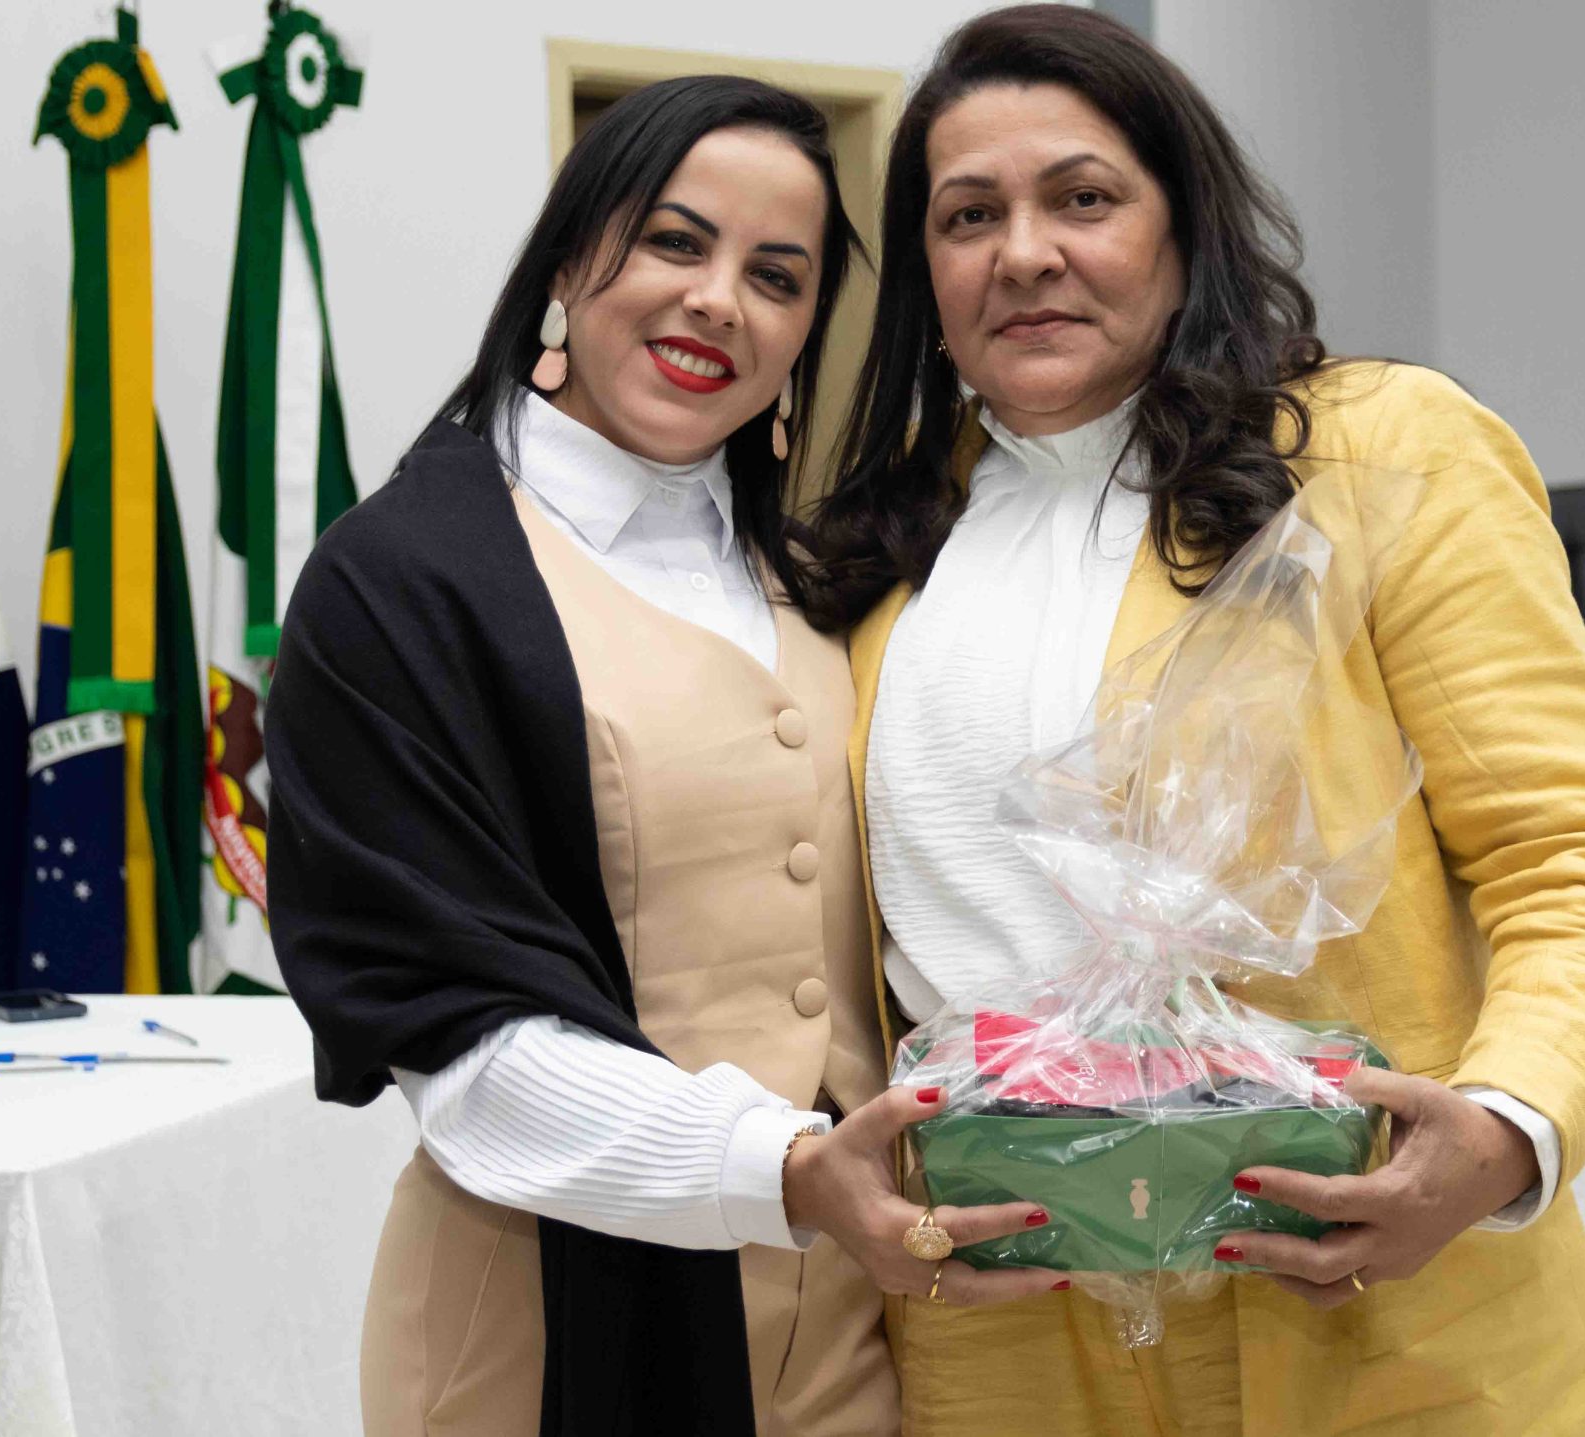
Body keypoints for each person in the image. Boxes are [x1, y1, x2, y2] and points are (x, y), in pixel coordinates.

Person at [800, 8, 1585, 1433]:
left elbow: (1575, 858)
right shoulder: (875, 548)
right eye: (969, 216)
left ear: (1184, 224)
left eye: (1083, 198)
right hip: (1003, 1322)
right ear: (926, 271)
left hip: (1363, 1287)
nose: (1024, 252)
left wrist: (1510, 1126)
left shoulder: (1377, 452)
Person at [265, 77, 1055, 1437]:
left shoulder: (821, 575)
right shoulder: (398, 586)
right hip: (547, 1338)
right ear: (568, 260)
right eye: (674, 243)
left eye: (777, 276)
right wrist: (788, 1170)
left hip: (854, 1331)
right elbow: (459, 1041)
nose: (717, 302)